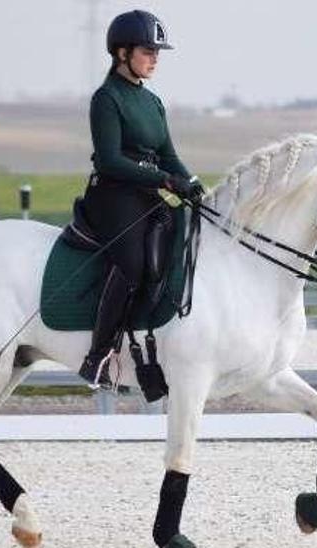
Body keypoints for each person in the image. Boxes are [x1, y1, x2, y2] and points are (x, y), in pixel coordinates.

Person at [78, 9, 203, 389]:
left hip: (146, 192)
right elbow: (111, 160)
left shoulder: (152, 102)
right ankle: (97, 355)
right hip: (113, 196)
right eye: (148, 51)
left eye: (156, 52)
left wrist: (192, 183)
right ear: (122, 53)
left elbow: (167, 154)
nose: (155, 58)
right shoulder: (106, 99)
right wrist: (165, 180)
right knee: (133, 263)